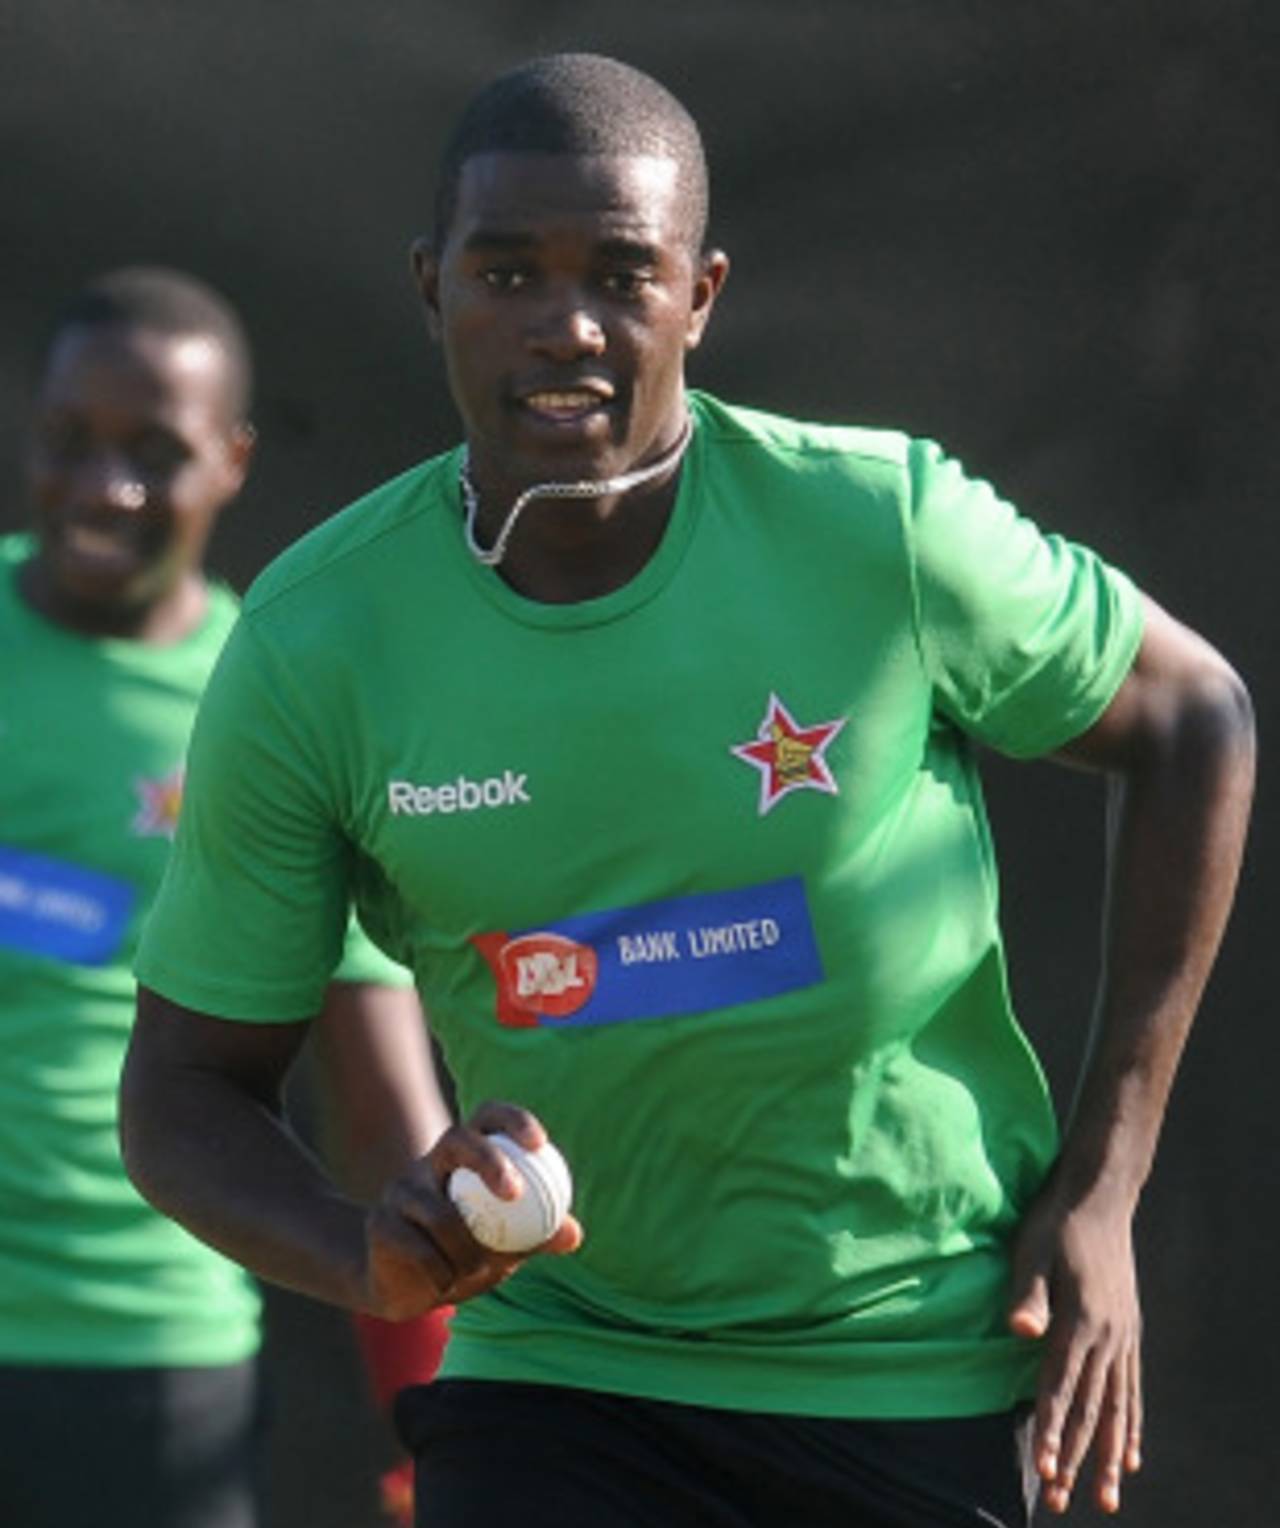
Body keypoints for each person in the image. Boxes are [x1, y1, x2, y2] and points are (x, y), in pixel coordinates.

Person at [119, 56, 1255, 1528]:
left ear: (702, 297)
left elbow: (1194, 718)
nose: (566, 326)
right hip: (560, 1367)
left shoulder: (880, 529)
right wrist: (362, 1251)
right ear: (429, 286)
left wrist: (1103, 1189)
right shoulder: (314, 640)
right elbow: (183, 1093)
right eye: (508, 273)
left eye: (623, 275)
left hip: (907, 1367)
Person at [0, 266, 450, 1528]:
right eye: (70, 443)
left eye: (154, 450)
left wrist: (433, 1414)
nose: (105, 489)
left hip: (149, 1362)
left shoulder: (278, 702)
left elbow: (379, 1103)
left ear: (236, 459)